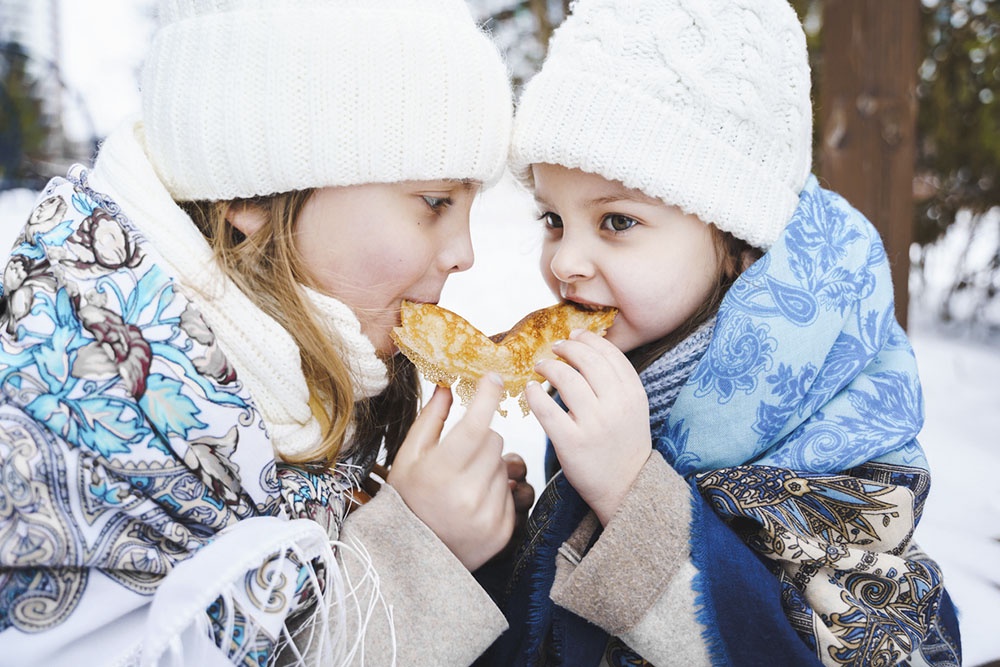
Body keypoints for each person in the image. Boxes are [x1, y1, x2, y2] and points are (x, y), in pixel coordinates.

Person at [0, 0, 529, 665]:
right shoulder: (63, 429)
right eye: (435, 202)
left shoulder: (287, 380)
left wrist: (421, 522)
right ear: (250, 192)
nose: (464, 252)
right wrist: (415, 558)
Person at [479, 0, 963, 665]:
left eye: (616, 221)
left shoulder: (836, 439)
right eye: (553, 219)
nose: (564, 261)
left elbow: (888, 648)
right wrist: (487, 550)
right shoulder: (635, 371)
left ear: (736, 237)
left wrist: (633, 497)